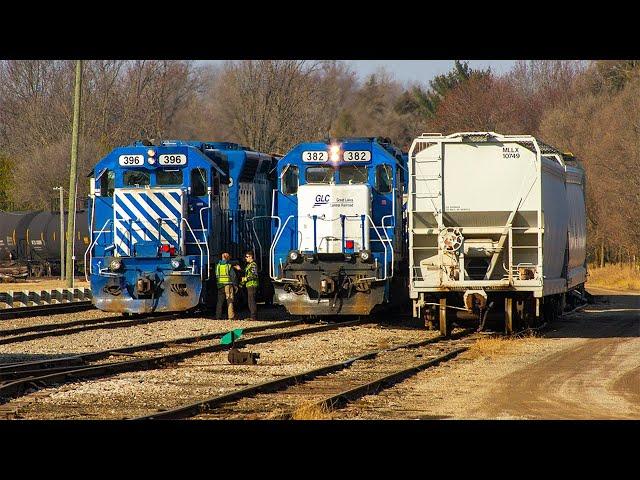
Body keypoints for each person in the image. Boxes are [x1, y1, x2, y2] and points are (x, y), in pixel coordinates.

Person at [215, 252, 242, 320]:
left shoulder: (218, 266)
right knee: (229, 300)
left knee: (219, 302)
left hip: (220, 285)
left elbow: (216, 275)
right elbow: (233, 276)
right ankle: (231, 316)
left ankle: (218, 316)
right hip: (228, 285)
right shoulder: (228, 266)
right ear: (228, 258)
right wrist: (235, 285)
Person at [241, 250, 259, 320]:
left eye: (247, 256)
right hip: (249, 285)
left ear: (251, 257)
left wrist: (246, 279)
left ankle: (253, 317)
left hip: (252, 285)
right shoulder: (249, 265)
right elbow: (247, 273)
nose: (246, 258)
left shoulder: (253, 265)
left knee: (252, 301)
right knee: (250, 301)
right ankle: (252, 316)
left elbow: (254, 275)